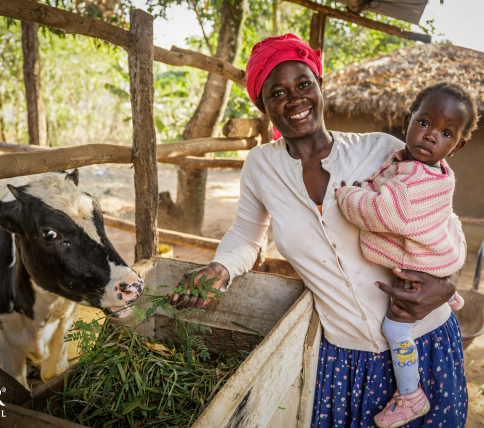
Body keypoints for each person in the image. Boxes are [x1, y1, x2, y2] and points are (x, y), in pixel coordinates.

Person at [169, 34, 468, 427]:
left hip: (425, 339)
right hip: (343, 359)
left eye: (303, 84)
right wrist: (220, 268)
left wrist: (446, 285)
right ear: (262, 105)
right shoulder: (261, 167)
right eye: (277, 92)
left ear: (320, 86)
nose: (295, 99)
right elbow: (245, 237)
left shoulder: (382, 151)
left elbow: (445, 222)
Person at [334, 82, 478, 428]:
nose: (431, 136)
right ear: (407, 122)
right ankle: (450, 293)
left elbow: (383, 213)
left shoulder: (417, 180)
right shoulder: (426, 168)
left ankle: (411, 395)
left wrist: (348, 195)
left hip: (418, 272)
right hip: (437, 258)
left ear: (457, 146)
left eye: (446, 133)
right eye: (424, 123)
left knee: (395, 329)